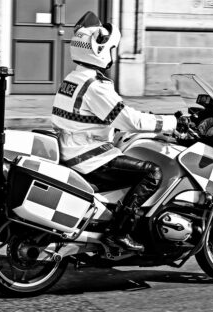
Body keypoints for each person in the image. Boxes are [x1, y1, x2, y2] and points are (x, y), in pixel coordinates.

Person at [52, 11, 185, 252]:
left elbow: (100, 119)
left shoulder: (74, 78)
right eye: (112, 49)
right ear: (100, 50)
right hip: (89, 156)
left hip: (73, 148)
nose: (112, 55)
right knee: (152, 173)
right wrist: (171, 122)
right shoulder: (95, 85)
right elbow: (129, 119)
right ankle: (119, 233)